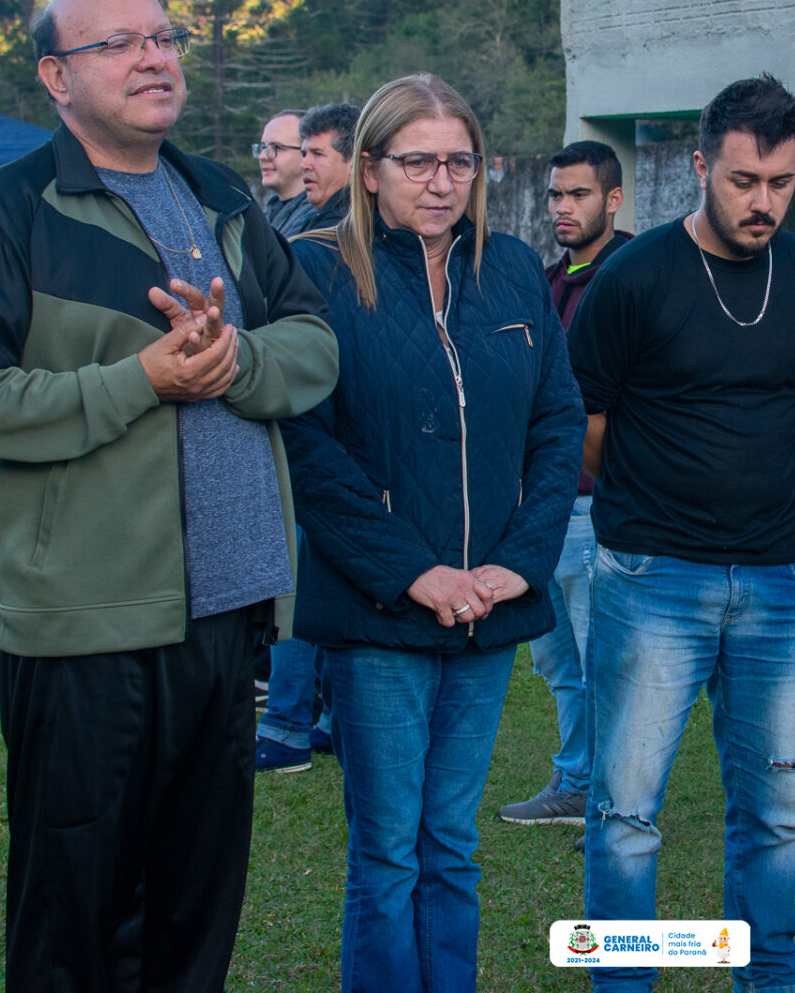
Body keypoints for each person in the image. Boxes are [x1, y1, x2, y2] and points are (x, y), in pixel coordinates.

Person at [0, 0, 339, 993]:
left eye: (163, 38)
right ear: (57, 76)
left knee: (195, 905)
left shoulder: (225, 200)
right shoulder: (14, 209)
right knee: (77, 910)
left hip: (228, 606)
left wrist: (233, 359)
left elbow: (313, 342)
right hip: (88, 617)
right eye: (119, 44)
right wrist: (137, 379)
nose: (155, 58)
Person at [280, 73, 583, 992]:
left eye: (460, 162)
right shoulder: (319, 271)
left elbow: (558, 423)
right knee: (387, 853)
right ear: (371, 170)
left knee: (451, 843)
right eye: (419, 162)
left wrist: (514, 567)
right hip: (381, 617)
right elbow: (308, 443)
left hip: (487, 611)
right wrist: (416, 573)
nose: (442, 181)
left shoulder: (515, 270)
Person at [572, 73, 795, 993]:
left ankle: (764, 981)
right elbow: (586, 431)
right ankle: (625, 983)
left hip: (778, 585)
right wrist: (676, 485)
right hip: (651, 577)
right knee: (627, 814)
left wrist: (740, 463)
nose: (762, 201)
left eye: (780, 182)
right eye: (742, 181)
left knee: (774, 809)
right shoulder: (634, 278)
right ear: (700, 167)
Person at [497, 139, 632, 826]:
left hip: (594, 507)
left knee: (602, 664)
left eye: (578, 194)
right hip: (540, 509)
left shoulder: (632, 275)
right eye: (555, 195)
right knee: (560, 663)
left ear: (612, 198)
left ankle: (611, 798)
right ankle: (579, 782)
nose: (562, 207)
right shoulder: (547, 281)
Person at [252, 101, 366, 772]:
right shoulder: (314, 227)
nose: (300, 163)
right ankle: (315, 718)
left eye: (315, 152)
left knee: (298, 579)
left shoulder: (339, 236)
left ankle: (290, 726)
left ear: (354, 159)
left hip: (329, 432)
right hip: (323, 427)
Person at [296, 100, 361, 232]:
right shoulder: (316, 218)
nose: (304, 165)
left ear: (352, 162)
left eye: (317, 154)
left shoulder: (345, 228)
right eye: (304, 154)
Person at [255, 109, 316, 236]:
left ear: (306, 152)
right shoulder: (268, 213)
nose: (263, 156)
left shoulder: (315, 221)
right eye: (263, 147)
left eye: (277, 147)